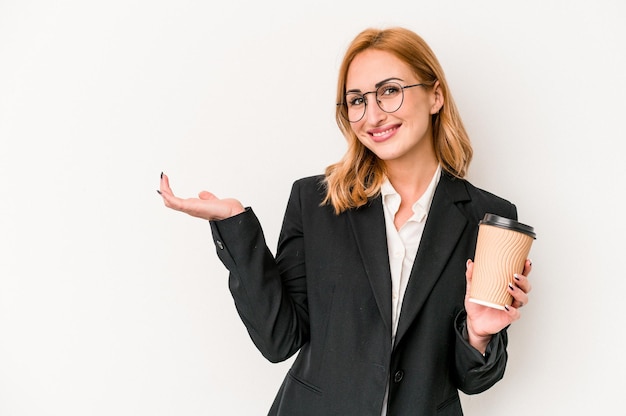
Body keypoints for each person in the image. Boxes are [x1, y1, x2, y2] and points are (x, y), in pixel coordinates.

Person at [158, 26, 533, 416]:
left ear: (435, 95)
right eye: (357, 100)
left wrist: (479, 332)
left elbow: (473, 380)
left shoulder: (488, 217)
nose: (372, 115)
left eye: (389, 91)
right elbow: (279, 340)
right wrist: (238, 228)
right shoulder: (315, 202)